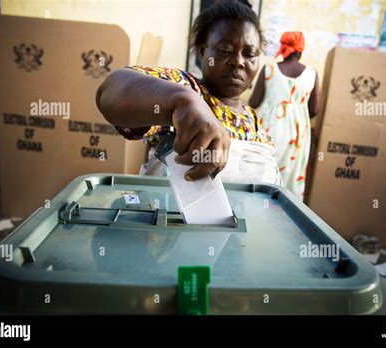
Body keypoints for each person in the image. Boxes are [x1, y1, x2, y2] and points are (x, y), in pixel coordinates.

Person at [96, 0, 282, 186]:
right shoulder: (185, 87)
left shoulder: (253, 121)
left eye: (250, 54)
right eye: (225, 50)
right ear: (203, 52)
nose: (238, 61)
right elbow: (110, 90)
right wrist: (181, 102)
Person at [249, 31, 319, 200]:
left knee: (264, 174)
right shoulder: (312, 74)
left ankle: (256, 210)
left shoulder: (269, 69)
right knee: (290, 179)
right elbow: (315, 110)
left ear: (283, 48)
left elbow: (254, 102)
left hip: (270, 130)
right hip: (298, 136)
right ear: (300, 52)